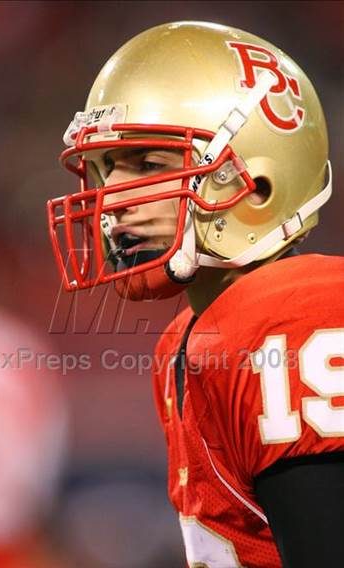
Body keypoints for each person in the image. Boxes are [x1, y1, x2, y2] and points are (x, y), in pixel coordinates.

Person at [47, 21, 344, 568]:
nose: (111, 200)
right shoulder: (187, 340)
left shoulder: (295, 319)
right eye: (106, 169)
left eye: (148, 164)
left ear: (255, 185)